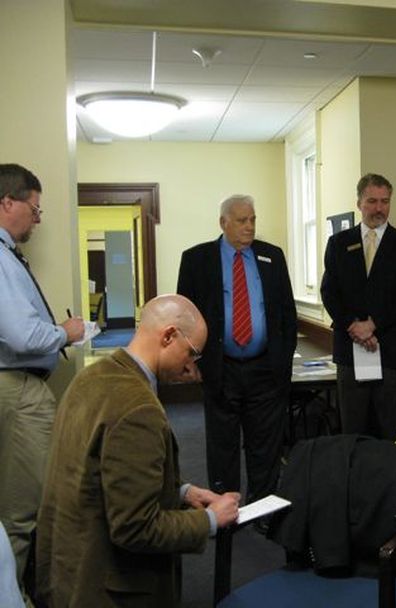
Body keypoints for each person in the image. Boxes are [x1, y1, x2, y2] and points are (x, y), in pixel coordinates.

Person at [36, 294, 241, 608]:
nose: (191, 368)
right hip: (109, 589)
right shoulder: (137, 409)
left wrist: (182, 492)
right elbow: (136, 527)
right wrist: (211, 520)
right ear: (169, 335)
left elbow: (101, 474)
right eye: (191, 353)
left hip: (69, 570)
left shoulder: (92, 377)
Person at [177, 195, 297, 505]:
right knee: (222, 445)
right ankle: (225, 507)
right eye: (242, 221)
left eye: (253, 219)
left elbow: (286, 313)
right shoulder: (197, 259)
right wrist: (190, 359)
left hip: (265, 369)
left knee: (265, 444)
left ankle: (263, 506)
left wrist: (282, 361)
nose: (249, 227)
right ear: (223, 223)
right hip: (221, 367)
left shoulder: (272, 256)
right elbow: (184, 317)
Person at [0, 164, 85, 601]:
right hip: (17, 389)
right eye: (34, 209)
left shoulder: (8, 254)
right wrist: (65, 333)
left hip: (16, 385)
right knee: (23, 512)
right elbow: (21, 335)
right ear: (7, 203)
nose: (37, 218)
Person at [320, 174, 396, 439]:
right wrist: (354, 326)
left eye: (385, 201)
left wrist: (372, 325)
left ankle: (391, 481)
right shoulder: (339, 244)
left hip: (391, 350)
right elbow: (329, 292)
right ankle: (354, 480)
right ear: (359, 203)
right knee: (353, 429)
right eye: (372, 201)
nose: (379, 208)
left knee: (391, 429)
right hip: (350, 350)